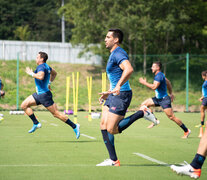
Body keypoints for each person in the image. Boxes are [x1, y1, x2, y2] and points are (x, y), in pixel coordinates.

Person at [96, 29, 159, 167]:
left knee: (112, 129)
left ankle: (142, 113)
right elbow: (115, 76)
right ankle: (114, 160)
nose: (105, 39)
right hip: (114, 94)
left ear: (116, 39)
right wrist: (109, 92)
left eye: (108, 37)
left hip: (121, 94)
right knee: (103, 125)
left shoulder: (118, 53)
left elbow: (129, 69)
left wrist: (118, 86)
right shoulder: (114, 53)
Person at [21, 52, 80, 138]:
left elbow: (41, 77)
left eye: (37, 57)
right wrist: (49, 83)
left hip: (44, 95)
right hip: (39, 94)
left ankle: (75, 126)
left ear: (42, 59)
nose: (36, 59)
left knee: (56, 114)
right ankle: (36, 123)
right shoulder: (47, 66)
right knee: (24, 105)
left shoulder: (41, 66)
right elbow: (54, 73)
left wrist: (31, 73)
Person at [139, 61, 191, 138]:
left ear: (158, 68)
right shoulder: (160, 75)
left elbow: (154, 87)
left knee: (171, 117)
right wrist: (171, 93)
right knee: (144, 105)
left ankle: (186, 131)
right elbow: (168, 83)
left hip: (164, 100)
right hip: (158, 99)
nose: (151, 68)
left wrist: (144, 83)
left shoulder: (159, 76)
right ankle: (155, 120)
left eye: (153, 66)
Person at [197, 70, 207, 138]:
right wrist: (202, 97)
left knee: (202, 110)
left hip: (206, 99)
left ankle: (202, 124)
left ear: (203, 76)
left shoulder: (206, 82)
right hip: (205, 98)